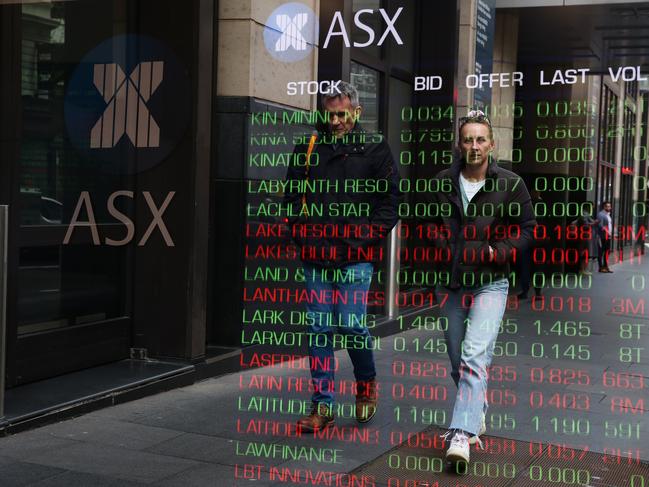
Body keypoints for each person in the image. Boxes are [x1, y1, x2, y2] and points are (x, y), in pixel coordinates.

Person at [283, 81, 400, 432]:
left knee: (351, 326)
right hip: (316, 256)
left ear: (357, 111)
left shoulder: (376, 148)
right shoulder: (308, 147)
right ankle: (323, 405)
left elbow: (390, 203)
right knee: (319, 328)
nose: (335, 121)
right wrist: (302, 237)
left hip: (356, 256)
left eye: (342, 114)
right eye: (330, 114)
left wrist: (365, 238)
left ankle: (365, 389)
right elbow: (291, 198)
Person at [427, 110, 536, 465]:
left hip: (491, 281)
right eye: (468, 139)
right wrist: (445, 247)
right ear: (460, 145)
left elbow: (527, 227)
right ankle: (478, 406)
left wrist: (496, 251)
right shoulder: (443, 180)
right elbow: (429, 223)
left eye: (481, 139)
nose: (474, 145)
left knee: (474, 355)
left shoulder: (511, 183)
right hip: (453, 281)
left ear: (491, 144)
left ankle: (461, 435)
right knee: (458, 358)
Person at [597, 201, 614, 273]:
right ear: (604, 207)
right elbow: (600, 225)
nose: (609, 208)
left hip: (608, 236)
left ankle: (606, 266)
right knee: (601, 252)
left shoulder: (608, 215)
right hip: (602, 236)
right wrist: (607, 232)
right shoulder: (601, 214)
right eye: (607, 206)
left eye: (609, 206)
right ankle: (601, 267)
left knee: (607, 251)